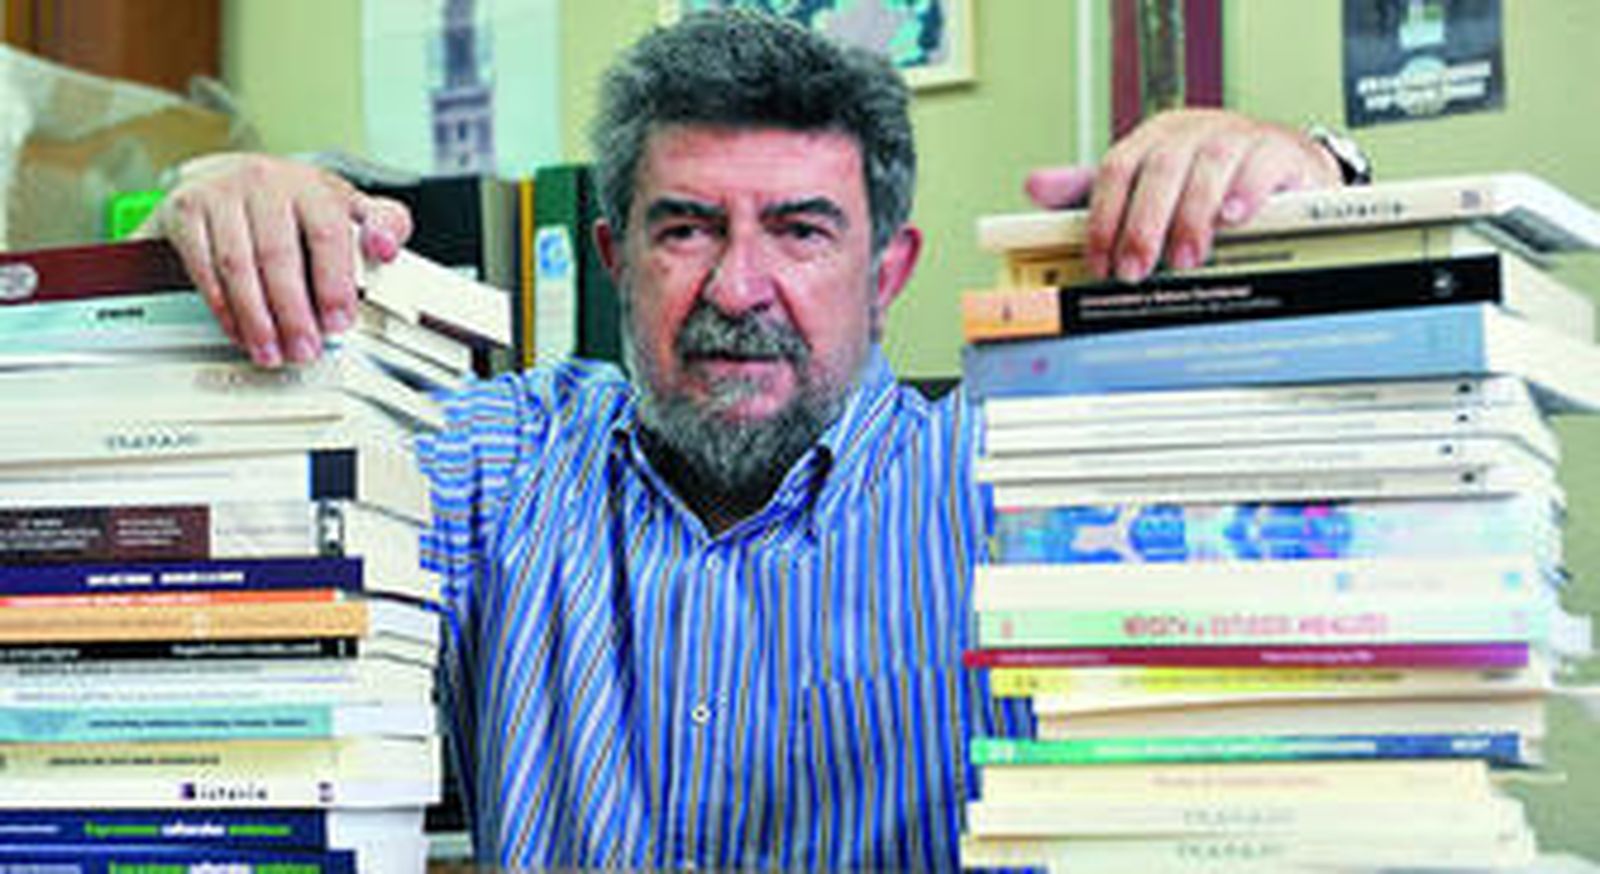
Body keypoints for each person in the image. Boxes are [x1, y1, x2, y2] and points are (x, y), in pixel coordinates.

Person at [151, 12, 1345, 869]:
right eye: (684, 229)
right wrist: (220, 208)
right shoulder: (498, 465)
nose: (737, 287)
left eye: (801, 230)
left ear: (889, 272)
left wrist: (1309, 179)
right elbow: (216, 495)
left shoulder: (1009, 482)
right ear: (614, 260)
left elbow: (1338, 489)